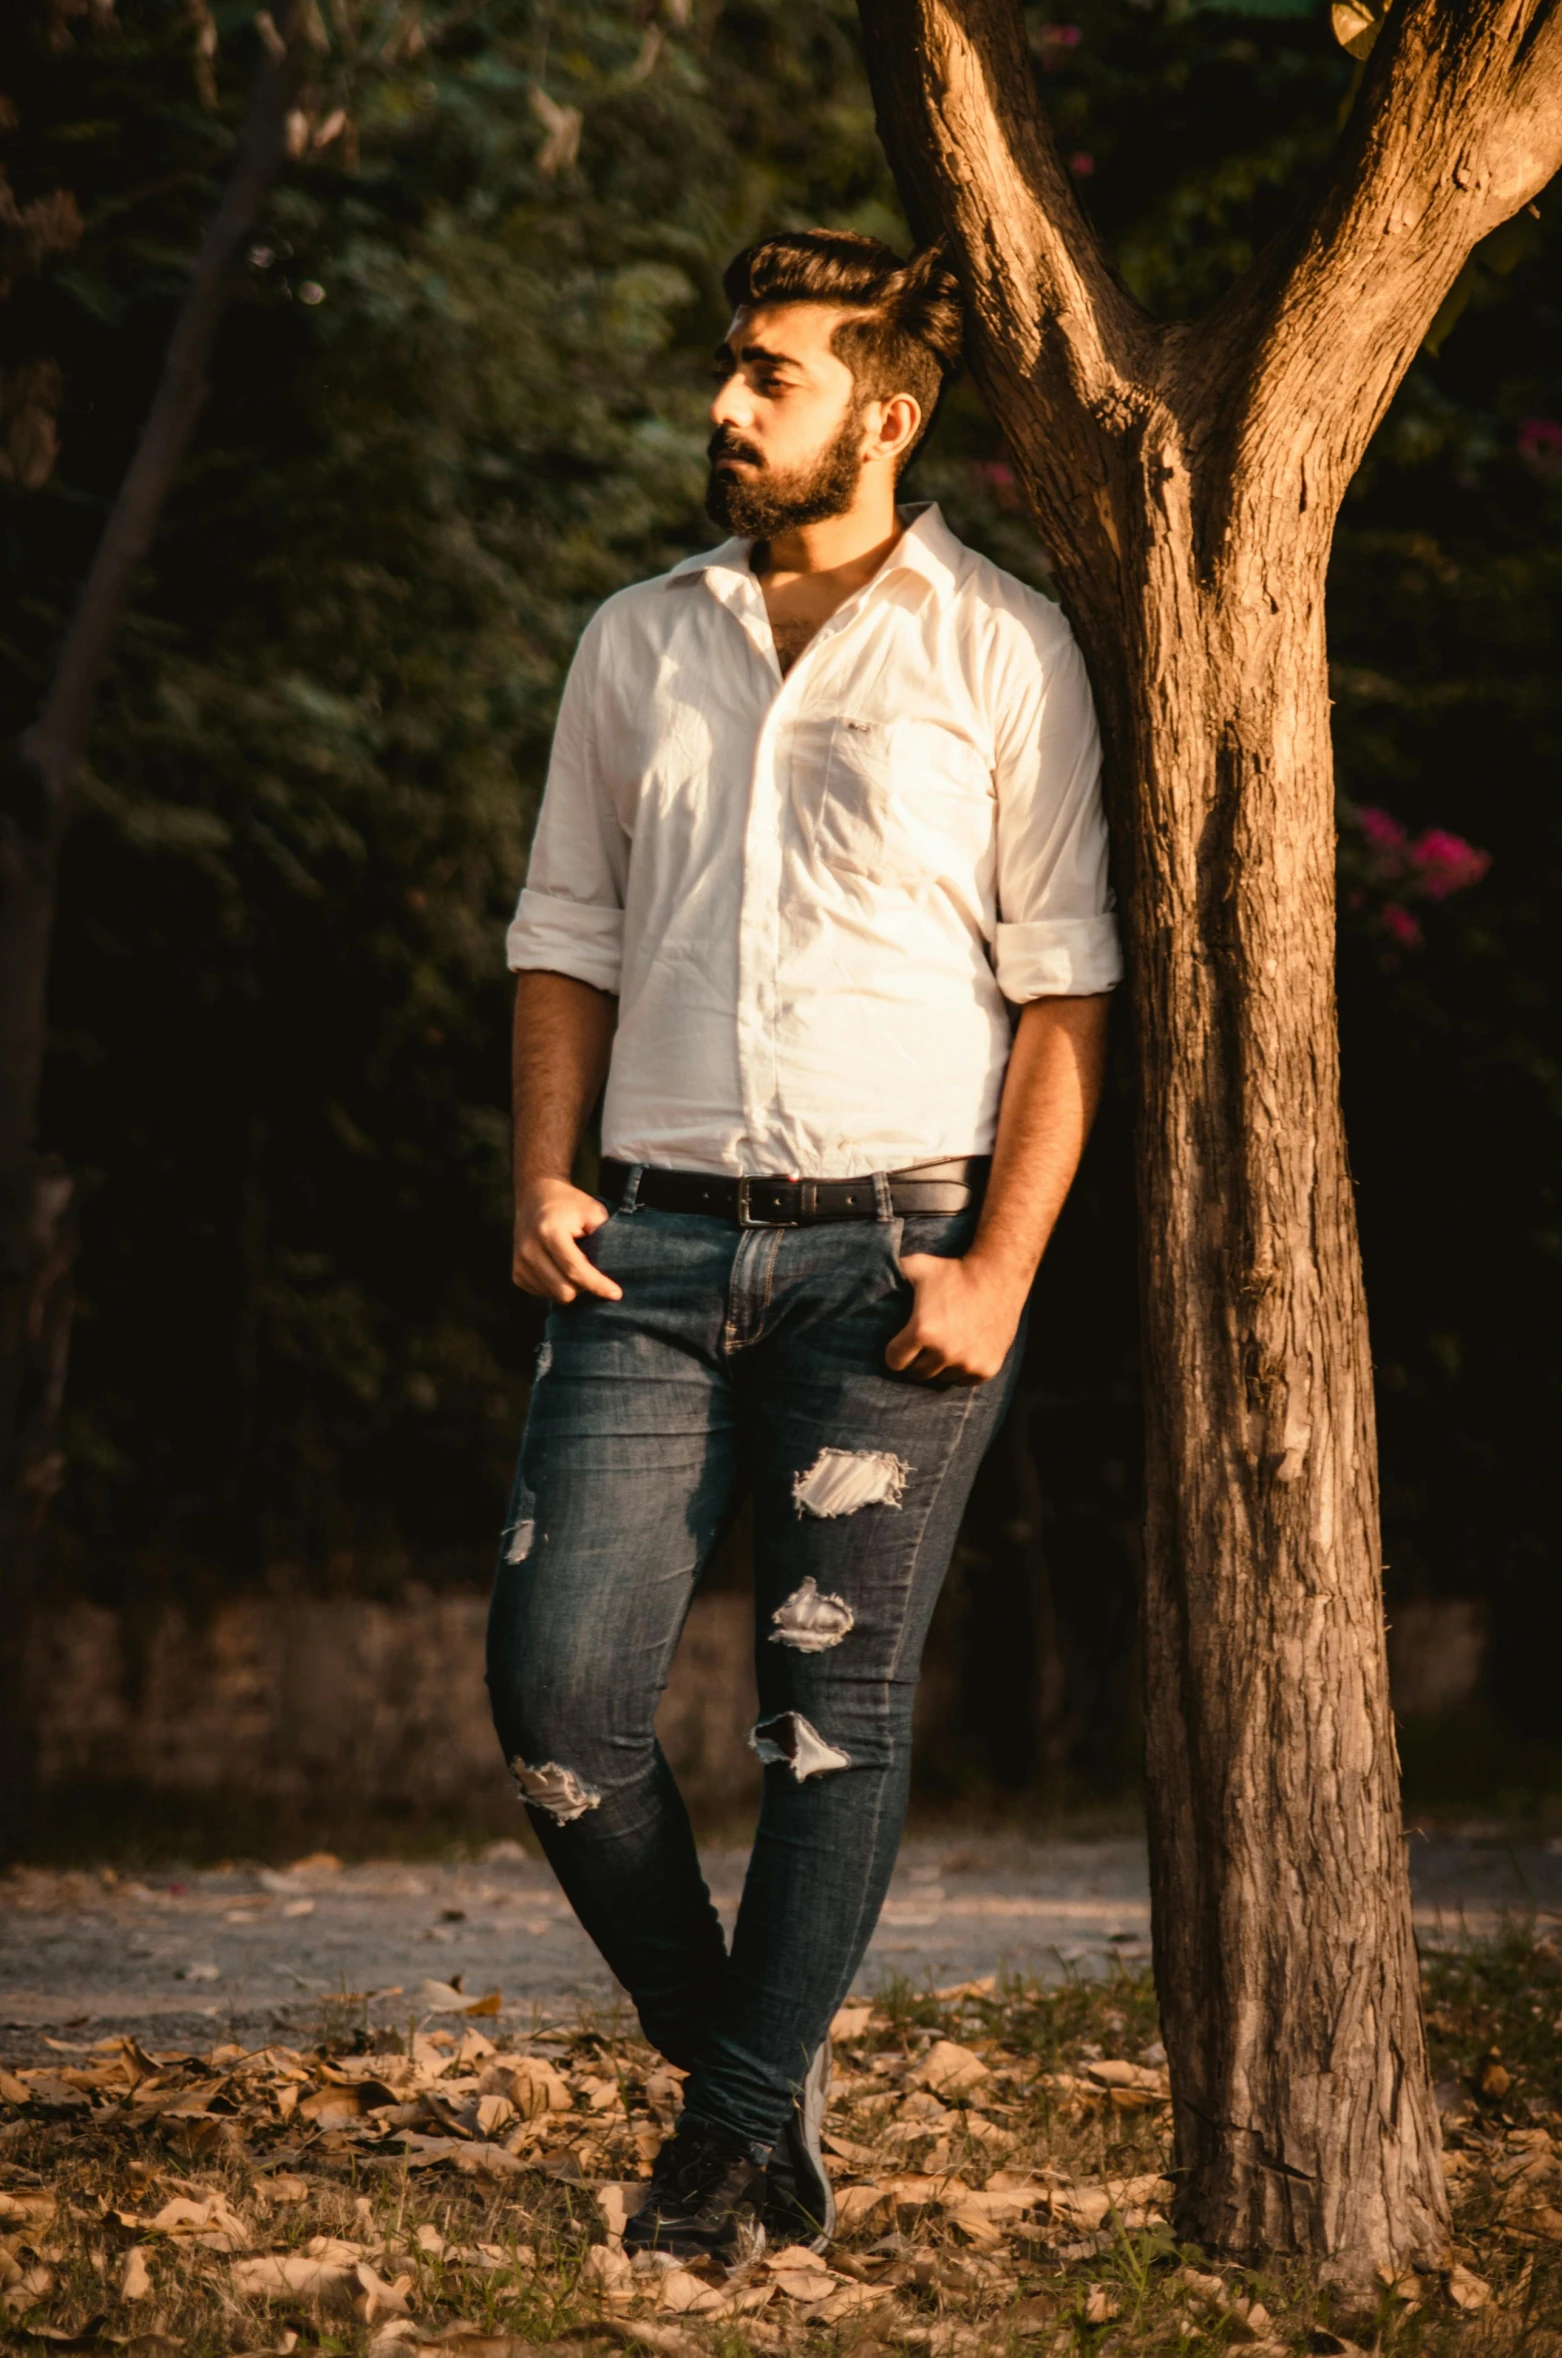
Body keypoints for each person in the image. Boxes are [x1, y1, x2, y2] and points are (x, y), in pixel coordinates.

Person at [486, 228, 1120, 2260]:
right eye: (730, 371)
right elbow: (563, 934)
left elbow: (1064, 995)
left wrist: (999, 1270)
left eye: (769, 375)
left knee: (827, 1713)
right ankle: (749, 2075)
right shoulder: (632, 641)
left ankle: (728, 2147)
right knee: (557, 1704)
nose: (724, 406)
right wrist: (542, 1173)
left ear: (887, 405)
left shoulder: (998, 646)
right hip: (643, 1253)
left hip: (894, 1261)